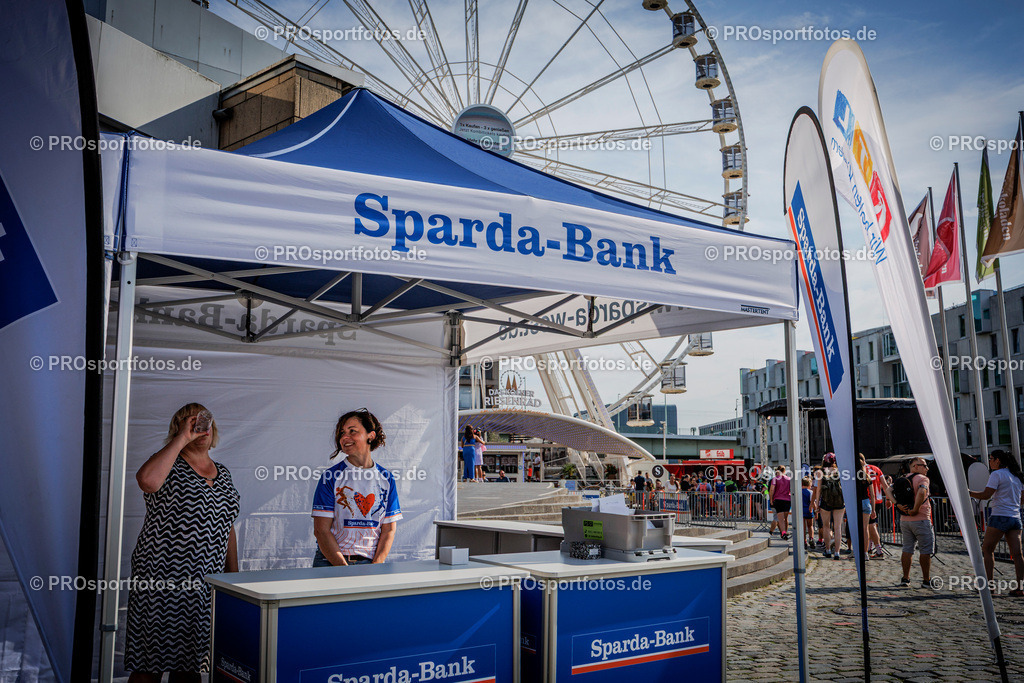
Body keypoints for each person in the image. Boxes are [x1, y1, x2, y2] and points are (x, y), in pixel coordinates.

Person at [125, 404, 240, 682]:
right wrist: (182, 439)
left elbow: (227, 526)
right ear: (179, 428)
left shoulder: (222, 472)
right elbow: (148, 482)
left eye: (205, 421)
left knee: (192, 664)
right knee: (149, 664)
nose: (200, 427)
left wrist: (234, 578)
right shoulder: (167, 462)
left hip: (205, 584)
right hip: (162, 580)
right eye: (191, 422)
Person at [312, 409, 402, 567]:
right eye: (342, 433)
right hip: (331, 563)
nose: (345, 437)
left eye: (352, 431)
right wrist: (344, 570)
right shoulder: (330, 477)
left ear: (371, 436)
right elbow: (321, 531)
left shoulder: (386, 478)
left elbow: (389, 530)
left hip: (370, 564)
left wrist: (376, 566)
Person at [970, 449, 1024, 595]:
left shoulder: (997, 474)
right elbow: (1022, 499)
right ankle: (1020, 587)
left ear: (998, 460)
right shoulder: (1017, 476)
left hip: (1000, 515)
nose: (989, 461)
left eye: (991, 458)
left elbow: (986, 495)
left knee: (987, 550)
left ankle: (989, 585)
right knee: (1017, 554)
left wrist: (968, 492)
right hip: (1015, 517)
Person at [888, 457, 933, 587]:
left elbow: (888, 491)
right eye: (924, 465)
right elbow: (921, 492)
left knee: (907, 549)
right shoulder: (923, 479)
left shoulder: (902, 478)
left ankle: (905, 578)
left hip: (904, 520)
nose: (927, 468)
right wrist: (915, 509)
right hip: (921, 519)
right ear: (915, 466)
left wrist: (897, 504)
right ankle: (926, 580)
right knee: (925, 550)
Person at [814, 453, 845, 560]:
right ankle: (837, 552)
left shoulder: (820, 472)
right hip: (840, 502)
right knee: (837, 527)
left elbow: (818, 490)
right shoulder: (841, 471)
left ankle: (827, 550)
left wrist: (817, 503)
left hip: (825, 502)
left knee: (826, 526)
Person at [769, 466, 792, 540]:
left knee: (780, 519)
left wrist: (771, 499)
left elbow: (772, 490)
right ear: (784, 471)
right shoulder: (789, 479)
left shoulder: (775, 479)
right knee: (786, 518)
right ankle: (786, 531)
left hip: (778, 499)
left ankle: (783, 533)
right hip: (787, 499)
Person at [801, 477, 815, 549]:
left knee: (803, 527)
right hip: (809, 510)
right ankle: (811, 538)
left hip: (801, 510)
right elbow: (812, 502)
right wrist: (816, 510)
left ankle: (804, 541)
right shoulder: (811, 492)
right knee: (810, 526)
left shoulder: (799, 492)